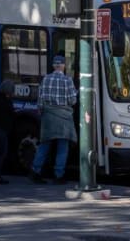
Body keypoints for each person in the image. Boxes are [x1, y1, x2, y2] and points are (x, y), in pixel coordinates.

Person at [30, 54, 78, 185]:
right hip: (64, 117)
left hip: (48, 117)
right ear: (63, 66)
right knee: (62, 147)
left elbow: (40, 101)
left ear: (53, 65)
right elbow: (72, 100)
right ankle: (58, 175)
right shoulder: (68, 80)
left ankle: (36, 171)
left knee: (44, 145)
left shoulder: (45, 79)